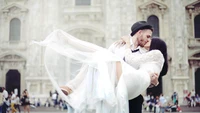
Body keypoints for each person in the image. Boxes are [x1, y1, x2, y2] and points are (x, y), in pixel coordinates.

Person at [33, 25, 168, 113]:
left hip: (133, 90)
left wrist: (154, 82)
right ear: (139, 33)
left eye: (150, 39)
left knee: (102, 54)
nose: (148, 40)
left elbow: (139, 65)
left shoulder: (152, 53)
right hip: (121, 87)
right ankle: (71, 85)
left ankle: (68, 43)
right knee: (98, 56)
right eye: (148, 36)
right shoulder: (118, 46)